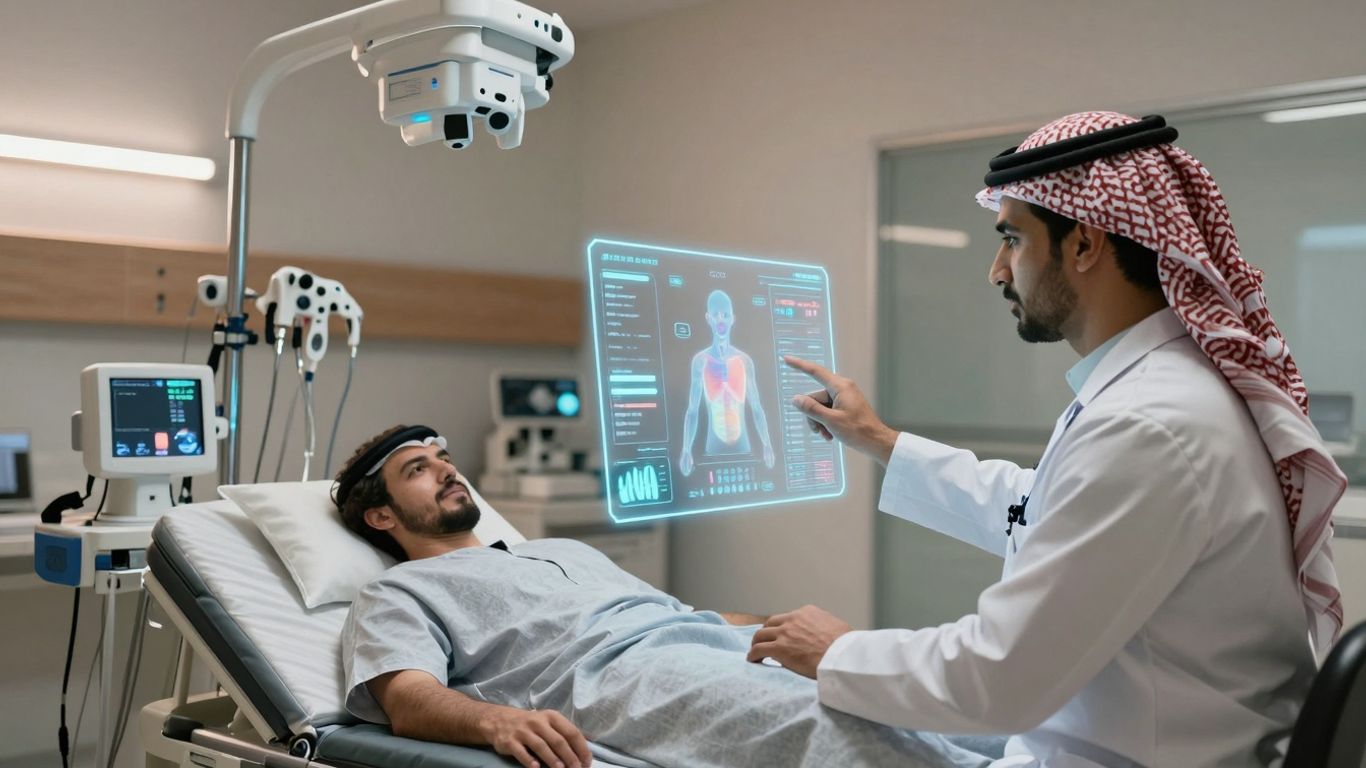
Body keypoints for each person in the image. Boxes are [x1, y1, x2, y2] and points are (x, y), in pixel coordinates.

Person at [749, 112, 1347, 768]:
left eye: (1012, 239)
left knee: (765, 710)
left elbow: (999, 679)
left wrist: (838, 650)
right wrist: (880, 440)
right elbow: (1045, 510)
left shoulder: (1149, 425)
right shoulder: (1164, 392)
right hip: (1137, 736)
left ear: (1084, 244)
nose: (997, 271)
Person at [334, 424, 992, 768]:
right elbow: (408, 698)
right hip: (630, 681)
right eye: (416, 470)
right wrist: (495, 722)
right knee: (828, 731)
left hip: (712, 647)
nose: (446, 468)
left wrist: (777, 625)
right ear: (381, 517)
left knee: (911, 689)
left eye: (443, 457)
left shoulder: (557, 549)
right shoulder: (399, 591)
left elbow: (675, 615)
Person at [679, 289, 776, 476]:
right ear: (708, 318)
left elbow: (756, 407)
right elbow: (692, 410)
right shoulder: (700, 361)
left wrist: (767, 444)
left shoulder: (745, 361)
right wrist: (685, 449)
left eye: (726, 315)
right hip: (713, 447)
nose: (721, 320)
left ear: (733, 319)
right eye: (716, 315)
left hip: (743, 446)